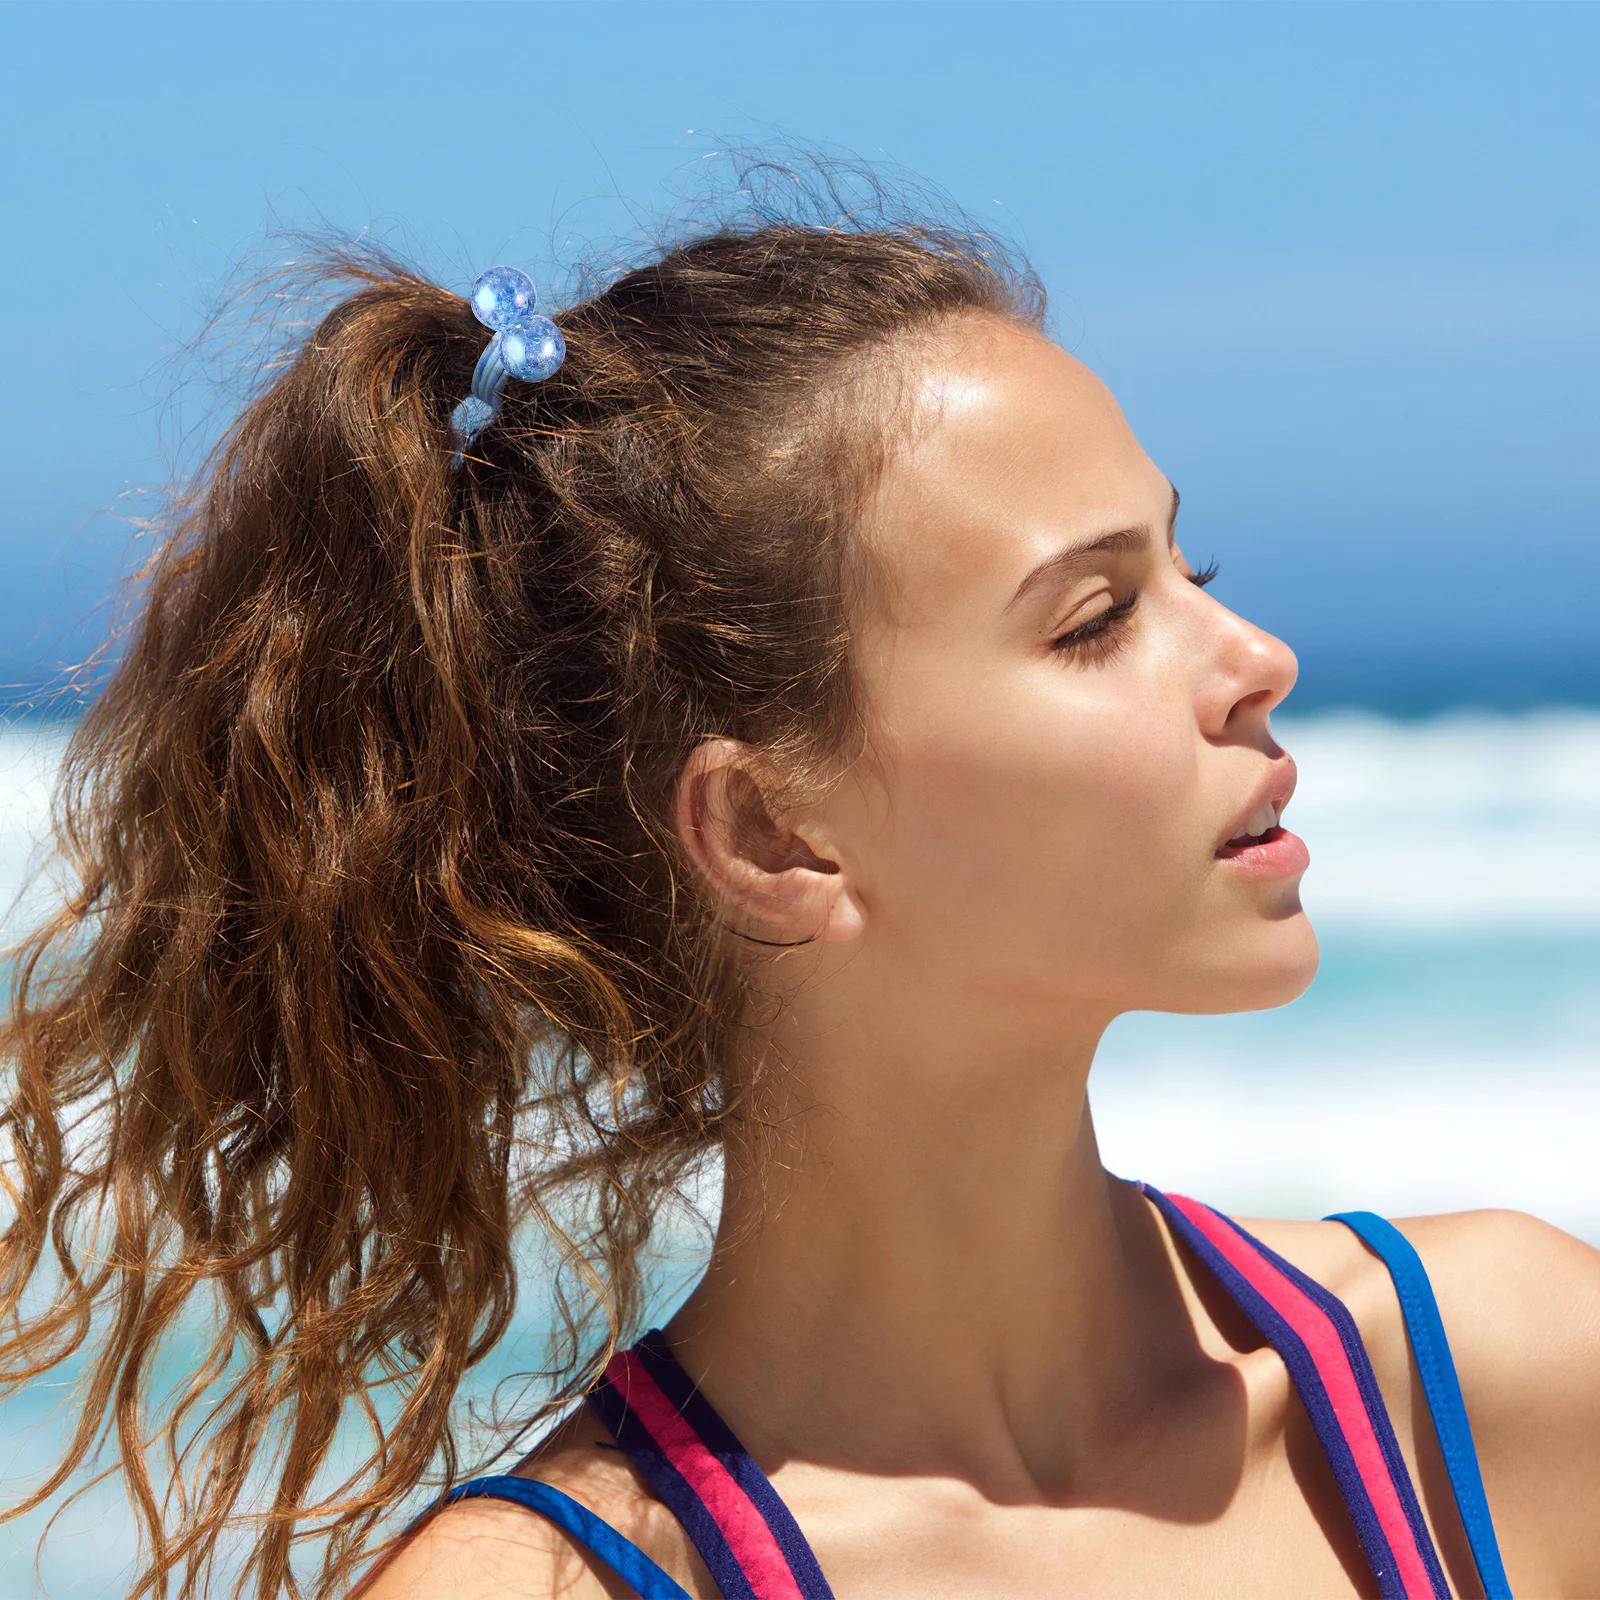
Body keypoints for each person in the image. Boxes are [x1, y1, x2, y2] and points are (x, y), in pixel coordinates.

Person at [3, 204, 1597, 1600]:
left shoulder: (1503, 1380)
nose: (1257, 663)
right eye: (1094, 618)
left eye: (1197, 566)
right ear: (773, 832)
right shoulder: (543, 1586)